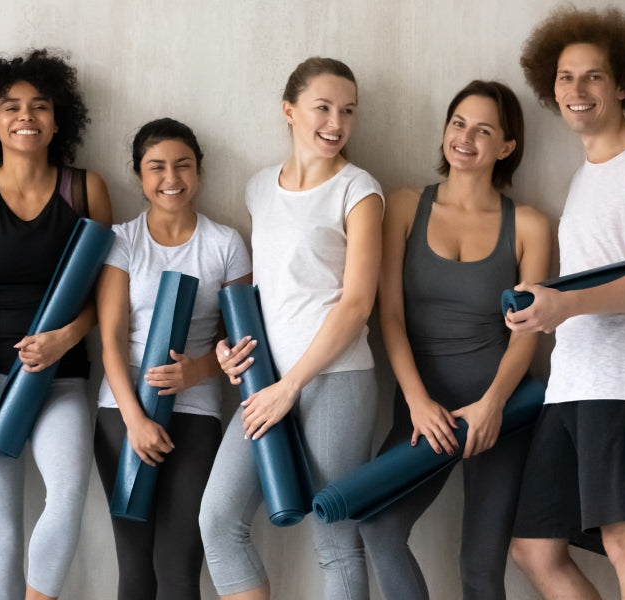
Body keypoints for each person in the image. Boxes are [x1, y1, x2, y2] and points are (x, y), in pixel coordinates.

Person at [505, 8, 625, 600]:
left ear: (621, 86)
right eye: (566, 77)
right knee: (534, 547)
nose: (577, 90)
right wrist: (548, 310)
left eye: (593, 76)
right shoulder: (585, 175)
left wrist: (567, 305)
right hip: (573, 383)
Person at [198, 56, 385, 600]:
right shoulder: (259, 188)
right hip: (266, 382)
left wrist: (291, 385)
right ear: (289, 111)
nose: (336, 122)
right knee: (218, 520)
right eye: (322, 107)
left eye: (347, 111)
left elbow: (356, 305)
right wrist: (228, 346)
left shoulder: (359, 190)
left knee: (335, 541)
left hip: (336, 379)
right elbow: (267, 288)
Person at [358, 80, 551, 599]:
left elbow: (527, 335)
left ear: (506, 147)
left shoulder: (529, 225)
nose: (466, 137)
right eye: (458, 123)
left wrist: (492, 405)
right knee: (378, 525)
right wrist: (418, 403)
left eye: (484, 129)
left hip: (501, 412)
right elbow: (390, 318)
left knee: (481, 566)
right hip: (424, 410)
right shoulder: (403, 205)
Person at [0, 48, 112, 600]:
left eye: (40, 106)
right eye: (11, 106)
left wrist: (67, 337)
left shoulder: (87, 188)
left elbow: (107, 296)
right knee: (4, 538)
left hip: (62, 377)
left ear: (58, 120)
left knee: (65, 500)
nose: (26, 116)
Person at [93, 118, 252, 600]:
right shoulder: (122, 240)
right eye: (156, 167)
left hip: (198, 413)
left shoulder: (224, 244)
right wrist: (135, 420)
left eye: (183, 165)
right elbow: (111, 340)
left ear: (199, 172)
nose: (171, 178)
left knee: (179, 566)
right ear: (139, 175)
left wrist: (197, 370)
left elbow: (241, 343)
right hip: (121, 414)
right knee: (135, 567)